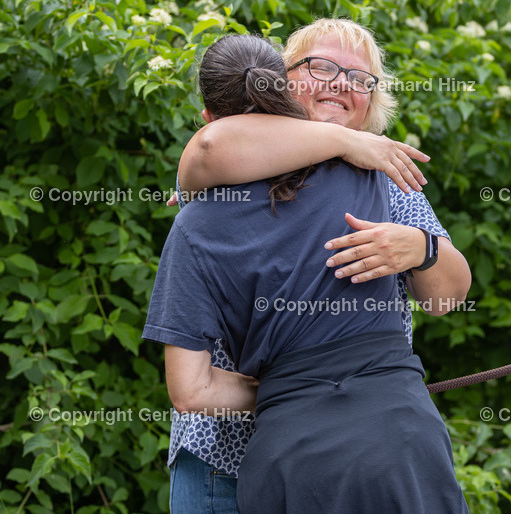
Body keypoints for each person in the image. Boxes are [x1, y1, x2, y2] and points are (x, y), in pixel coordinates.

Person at [144, 29, 471, 512]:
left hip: (362, 429)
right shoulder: (229, 168)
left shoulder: (382, 169)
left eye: (360, 78)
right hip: (223, 453)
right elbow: (212, 146)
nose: (341, 84)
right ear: (278, 80)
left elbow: (448, 296)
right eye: (322, 68)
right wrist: (298, 385)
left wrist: (419, 248)